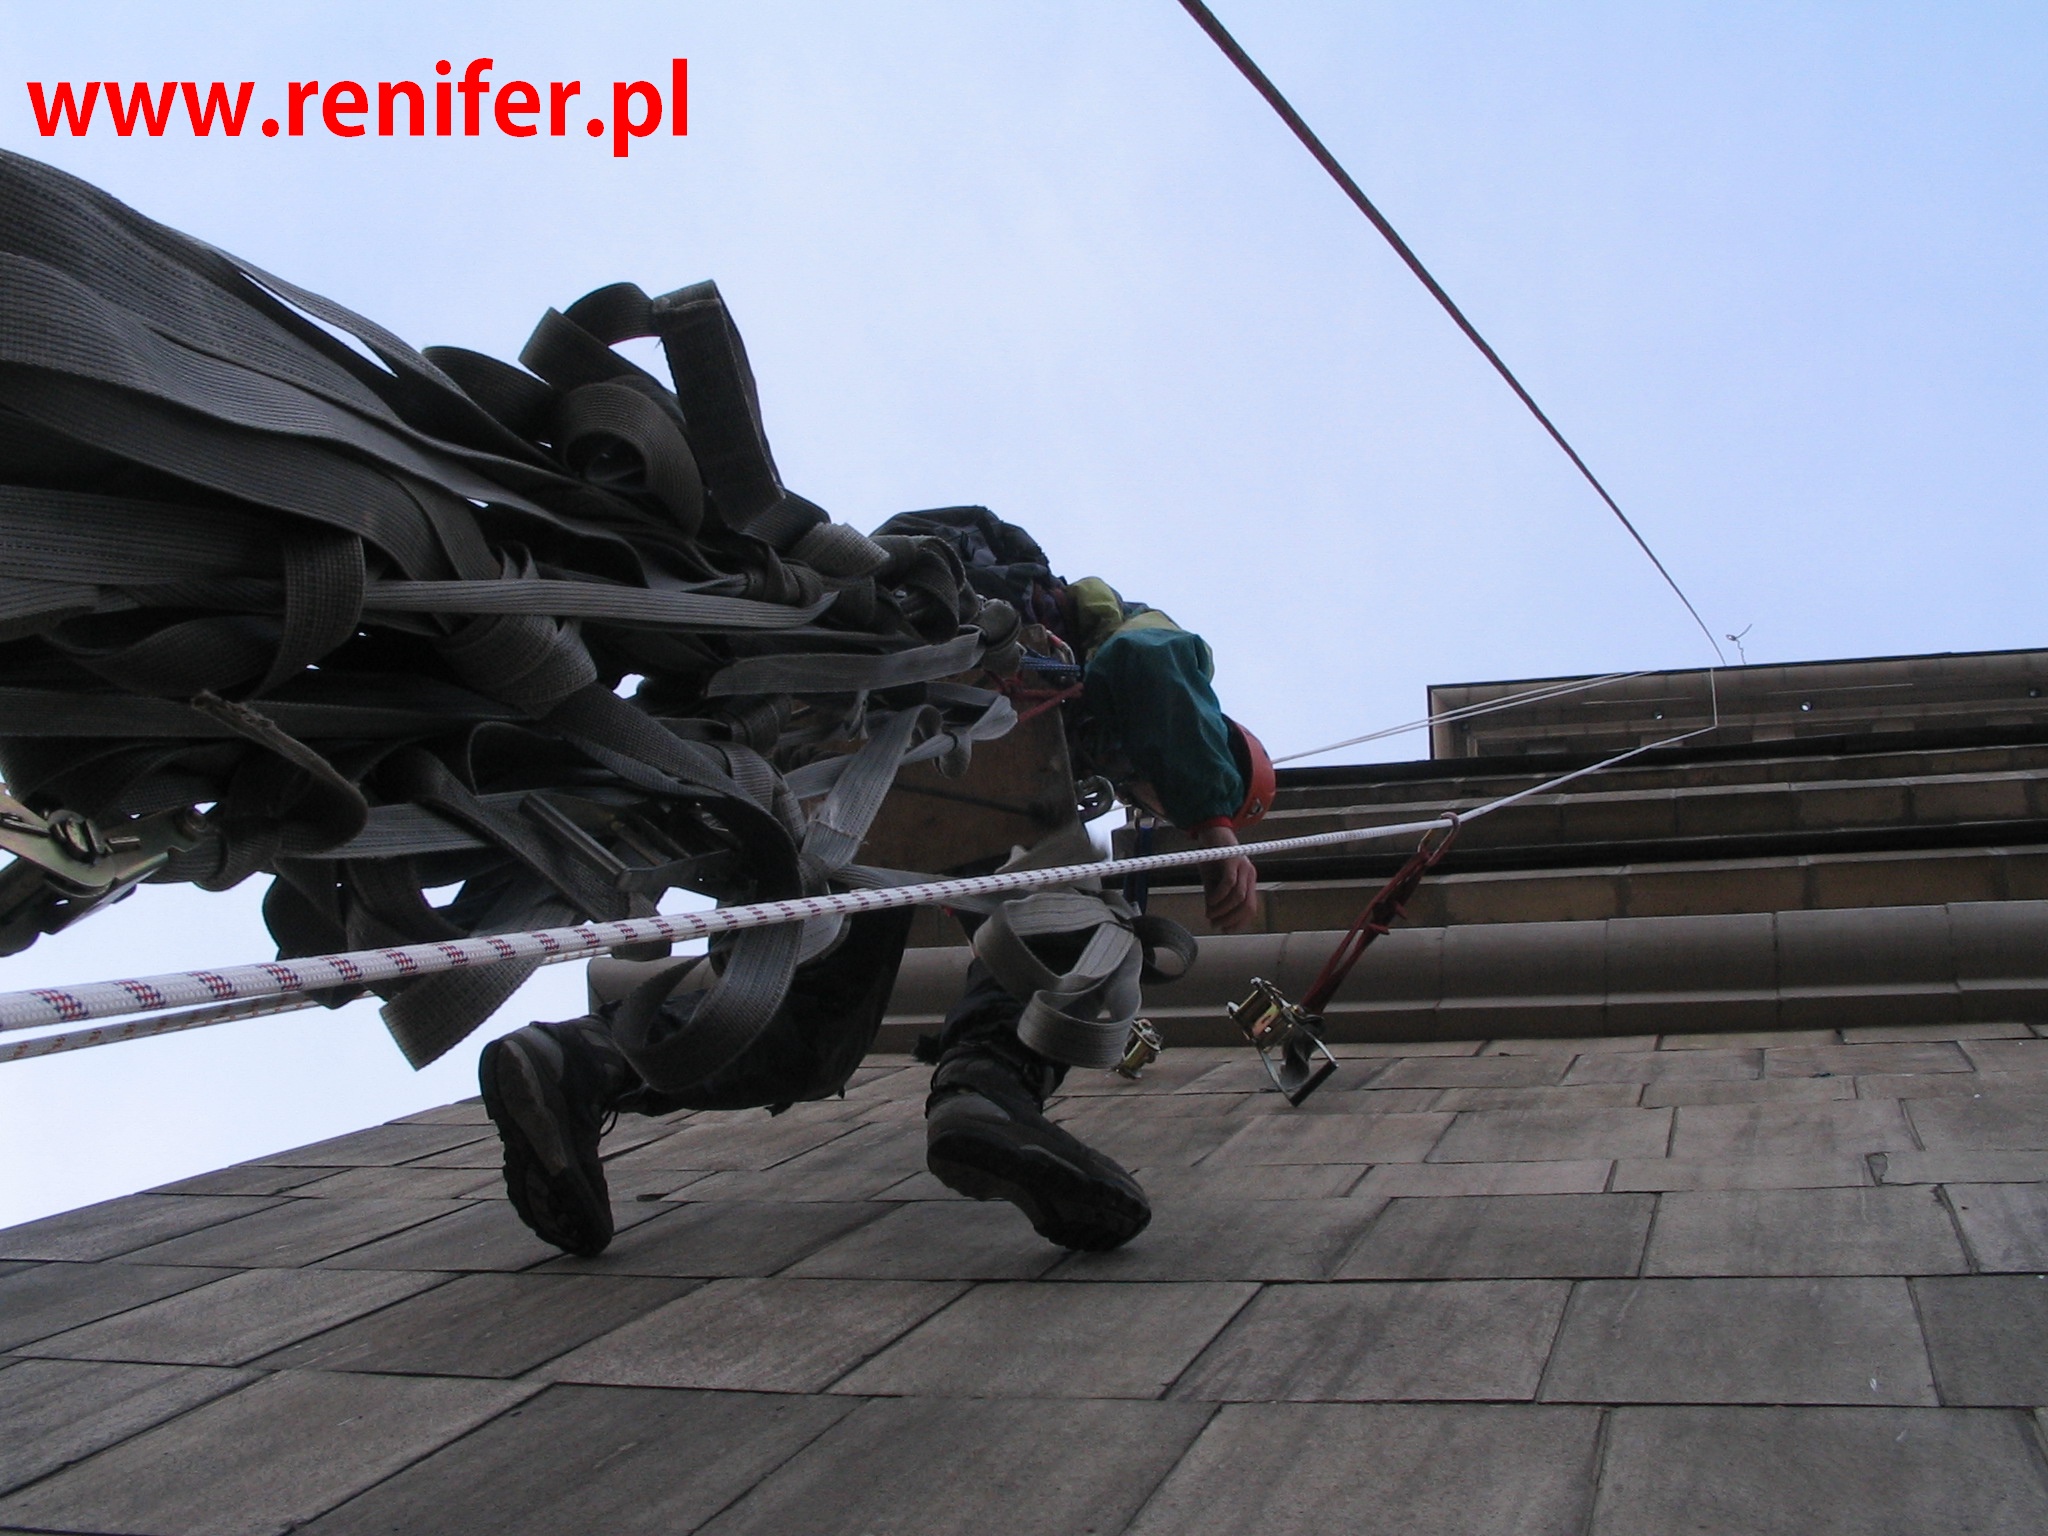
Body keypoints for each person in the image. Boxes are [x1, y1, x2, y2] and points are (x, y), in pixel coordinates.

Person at [478, 510, 1274, 1256]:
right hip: (952, 721)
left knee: (807, 1034)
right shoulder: (1144, 651)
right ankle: (989, 1086)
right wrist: (1215, 824)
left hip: (837, 762)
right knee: (1081, 929)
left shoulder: (1081, 728)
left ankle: (578, 1063)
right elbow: (1151, 666)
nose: (1148, 803)